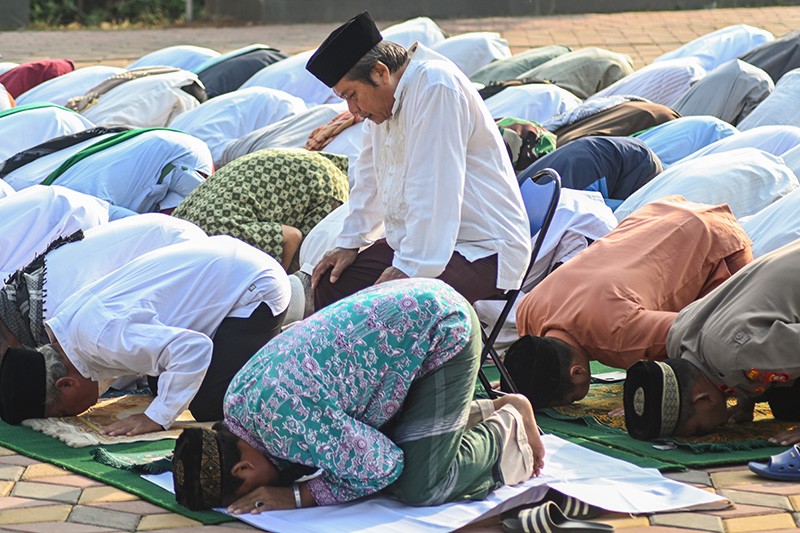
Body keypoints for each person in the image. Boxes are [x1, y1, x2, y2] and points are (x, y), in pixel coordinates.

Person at [171, 279, 543, 512]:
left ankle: (508, 426)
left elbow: (384, 466)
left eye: (251, 492)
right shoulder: (235, 403)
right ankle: (478, 411)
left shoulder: (287, 427)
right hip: (407, 306)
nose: (261, 495)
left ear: (243, 469)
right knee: (375, 450)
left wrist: (296, 497)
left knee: (420, 484)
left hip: (442, 328)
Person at [306, 12, 530, 308]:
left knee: (395, 306)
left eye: (352, 95)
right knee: (334, 284)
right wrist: (349, 242)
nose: (353, 110)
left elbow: (435, 187)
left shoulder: (436, 86)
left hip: (484, 247)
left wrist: (411, 268)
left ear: (380, 72)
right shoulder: (381, 105)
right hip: (421, 242)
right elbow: (369, 178)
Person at [0, 236, 290, 436]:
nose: (73, 417)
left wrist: (156, 418)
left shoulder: (101, 339)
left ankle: (294, 343)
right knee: (164, 385)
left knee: (210, 404)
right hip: (226, 262)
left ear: (66, 384)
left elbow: (193, 349)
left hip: (255, 286)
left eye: (64, 412)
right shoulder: (69, 330)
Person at [507, 196, 753, 408]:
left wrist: (655, 393)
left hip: (715, 239)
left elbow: (700, 332)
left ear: (578, 373)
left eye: (573, 399)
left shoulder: (619, 334)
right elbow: (530, 360)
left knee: (738, 332)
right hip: (656, 214)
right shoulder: (529, 310)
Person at [624, 239, 800, 444]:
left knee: (792, 406)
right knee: (787, 404)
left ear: (702, 399)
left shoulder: (743, 355)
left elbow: (743, 347)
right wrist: (747, 397)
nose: (713, 430)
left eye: (699, 429)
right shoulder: (678, 338)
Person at [173, 148, 349, 270]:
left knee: (309, 263)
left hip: (322, 183)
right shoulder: (178, 227)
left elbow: (289, 238)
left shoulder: (221, 238)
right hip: (303, 168)